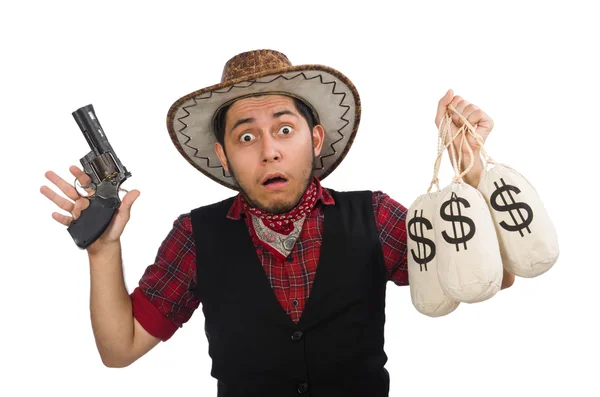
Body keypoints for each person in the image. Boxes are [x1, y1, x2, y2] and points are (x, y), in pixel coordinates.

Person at [41, 49, 514, 397]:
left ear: (314, 138)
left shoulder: (375, 215)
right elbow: (119, 349)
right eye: (246, 136)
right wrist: (102, 251)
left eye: (284, 129)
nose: (269, 149)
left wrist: (470, 169)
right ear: (224, 156)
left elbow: (492, 276)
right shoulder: (195, 235)